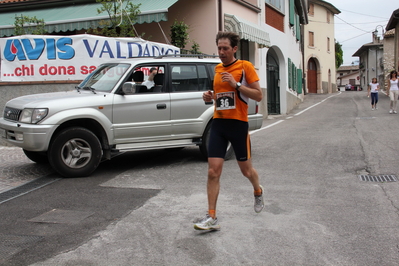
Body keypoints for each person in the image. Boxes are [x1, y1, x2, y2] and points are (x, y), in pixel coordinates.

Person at [194, 31, 264, 231]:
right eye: (219, 48)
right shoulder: (217, 69)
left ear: (234, 49)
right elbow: (222, 95)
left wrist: (237, 85)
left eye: (225, 48)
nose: (221, 52)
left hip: (238, 125)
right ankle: (211, 216)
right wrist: (210, 96)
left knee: (246, 171)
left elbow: (258, 95)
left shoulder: (245, 67)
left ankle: (258, 191)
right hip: (218, 124)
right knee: (213, 171)